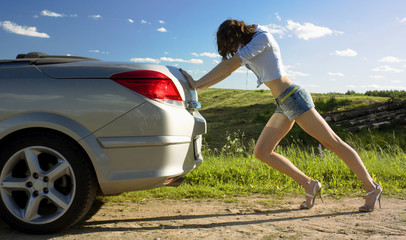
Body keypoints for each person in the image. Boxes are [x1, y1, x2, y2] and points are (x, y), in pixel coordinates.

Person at [181, 19, 382, 211]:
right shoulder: (245, 48)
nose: (233, 50)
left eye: (231, 45)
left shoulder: (262, 37)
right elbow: (227, 70)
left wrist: (197, 83)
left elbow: (229, 65)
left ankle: (372, 187)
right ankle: (310, 184)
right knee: (262, 152)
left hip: (294, 97)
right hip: (282, 103)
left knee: (333, 142)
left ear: (236, 35)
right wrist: (198, 87)